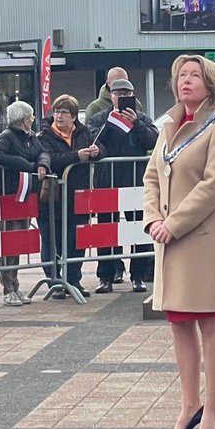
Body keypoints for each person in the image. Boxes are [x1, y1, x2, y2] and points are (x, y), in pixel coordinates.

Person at [143, 55, 215, 429]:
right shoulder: (168, 127)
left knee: (207, 319)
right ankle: (189, 405)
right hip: (168, 239)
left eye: (194, 75)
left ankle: (213, 409)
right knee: (178, 321)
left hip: (199, 238)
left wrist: (174, 223)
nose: (186, 81)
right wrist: (152, 219)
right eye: (181, 75)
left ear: (209, 83)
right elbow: (151, 176)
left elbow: (213, 185)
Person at [88, 78, 158, 292]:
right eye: (118, 93)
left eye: (127, 93)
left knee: (139, 230)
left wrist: (136, 124)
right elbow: (92, 140)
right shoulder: (101, 117)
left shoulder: (142, 118)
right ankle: (106, 276)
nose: (122, 97)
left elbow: (154, 141)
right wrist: (110, 124)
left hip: (135, 181)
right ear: (111, 94)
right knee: (106, 231)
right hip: (107, 180)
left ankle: (138, 275)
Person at [0, 100, 50, 305]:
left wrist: (41, 164)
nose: (33, 119)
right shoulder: (7, 137)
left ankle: (15, 286)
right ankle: (8, 289)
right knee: (10, 245)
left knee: (18, 243)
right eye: (31, 116)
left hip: (24, 196)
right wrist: (26, 165)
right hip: (8, 197)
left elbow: (43, 152)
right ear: (24, 120)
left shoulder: (30, 137)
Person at [36, 94, 99, 297]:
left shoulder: (83, 132)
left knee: (76, 240)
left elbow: (95, 150)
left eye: (63, 112)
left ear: (74, 116)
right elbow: (48, 159)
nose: (59, 116)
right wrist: (76, 156)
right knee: (51, 240)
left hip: (78, 197)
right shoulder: (44, 136)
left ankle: (73, 280)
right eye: (56, 111)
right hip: (52, 198)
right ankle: (55, 283)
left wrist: (98, 152)